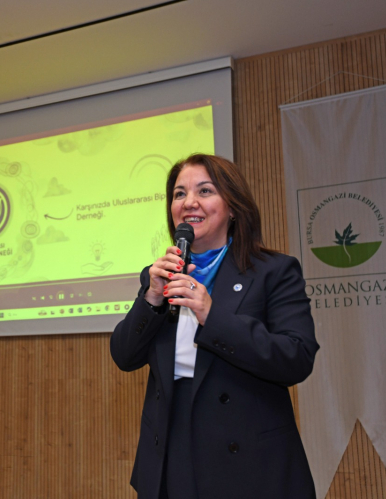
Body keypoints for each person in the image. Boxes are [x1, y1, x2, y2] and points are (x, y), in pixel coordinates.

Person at [110, 154, 319, 499]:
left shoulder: (273, 271)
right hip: (170, 453)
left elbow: (296, 357)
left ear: (233, 207)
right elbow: (124, 355)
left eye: (204, 191)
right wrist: (152, 297)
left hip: (248, 460)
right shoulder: (160, 275)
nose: (189, 202)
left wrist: (212, 315)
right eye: (179, 194)